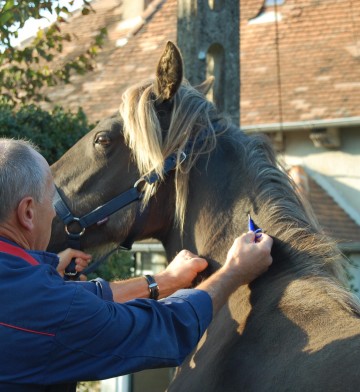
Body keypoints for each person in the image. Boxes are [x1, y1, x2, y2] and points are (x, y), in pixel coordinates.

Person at [0, 138, 273, 391]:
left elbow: (77, 300)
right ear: (27, 213)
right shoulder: (46, 305)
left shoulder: (25, 287)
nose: (54, 212)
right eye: (50, 200)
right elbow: (163, 328)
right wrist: (234, 271)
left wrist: (164, 281)